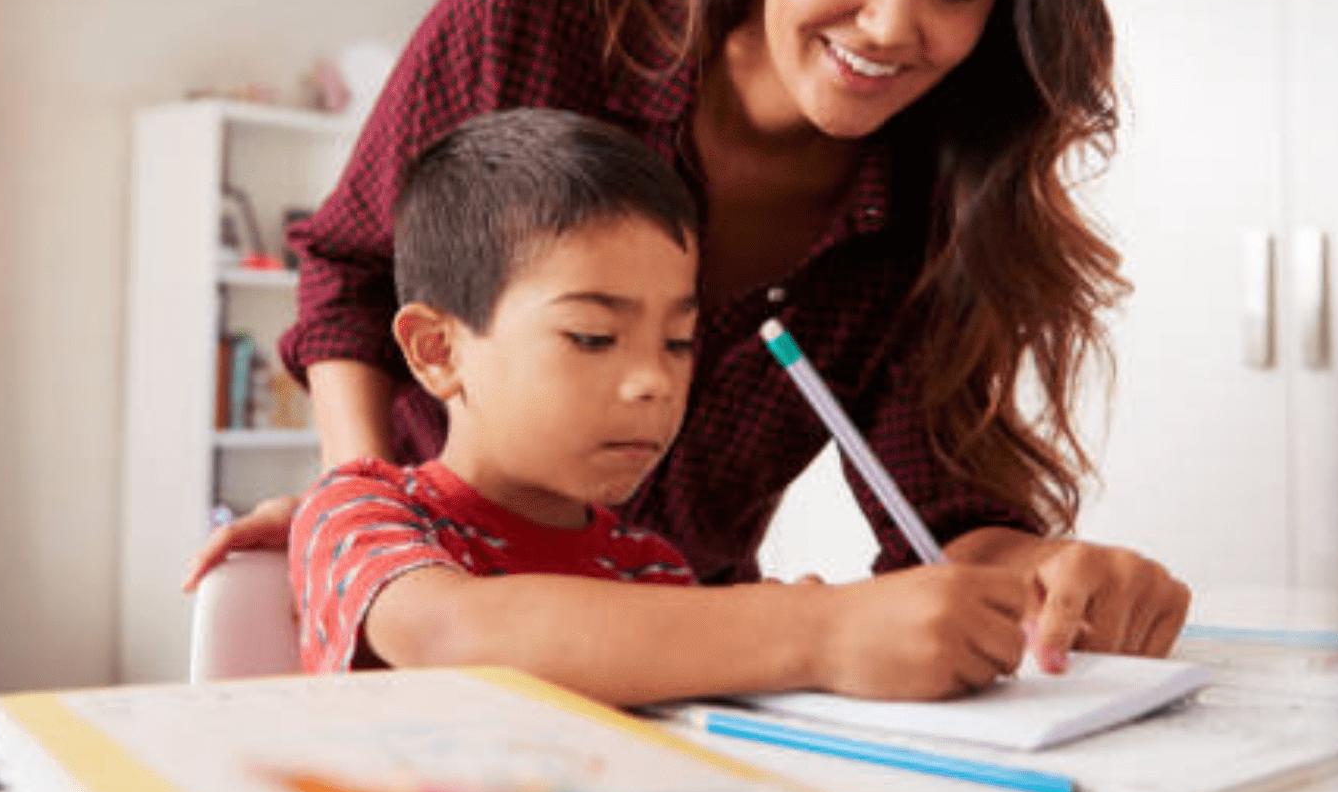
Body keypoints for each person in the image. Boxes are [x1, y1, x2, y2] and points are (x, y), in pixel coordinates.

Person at [189, 0, 1191, 671]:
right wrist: (363, 504)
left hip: (690, 665)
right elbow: (354, 274)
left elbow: (937, 519)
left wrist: (1046, 574)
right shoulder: (539, 9)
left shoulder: (939, 202)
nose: (890, 24)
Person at [295, 107, 1034, 704]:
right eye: (592, 336)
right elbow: (454, 635)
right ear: (437, 351)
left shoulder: (647, 568)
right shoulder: (362, 511)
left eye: (679, 343)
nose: (653, 380)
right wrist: (817, 630)